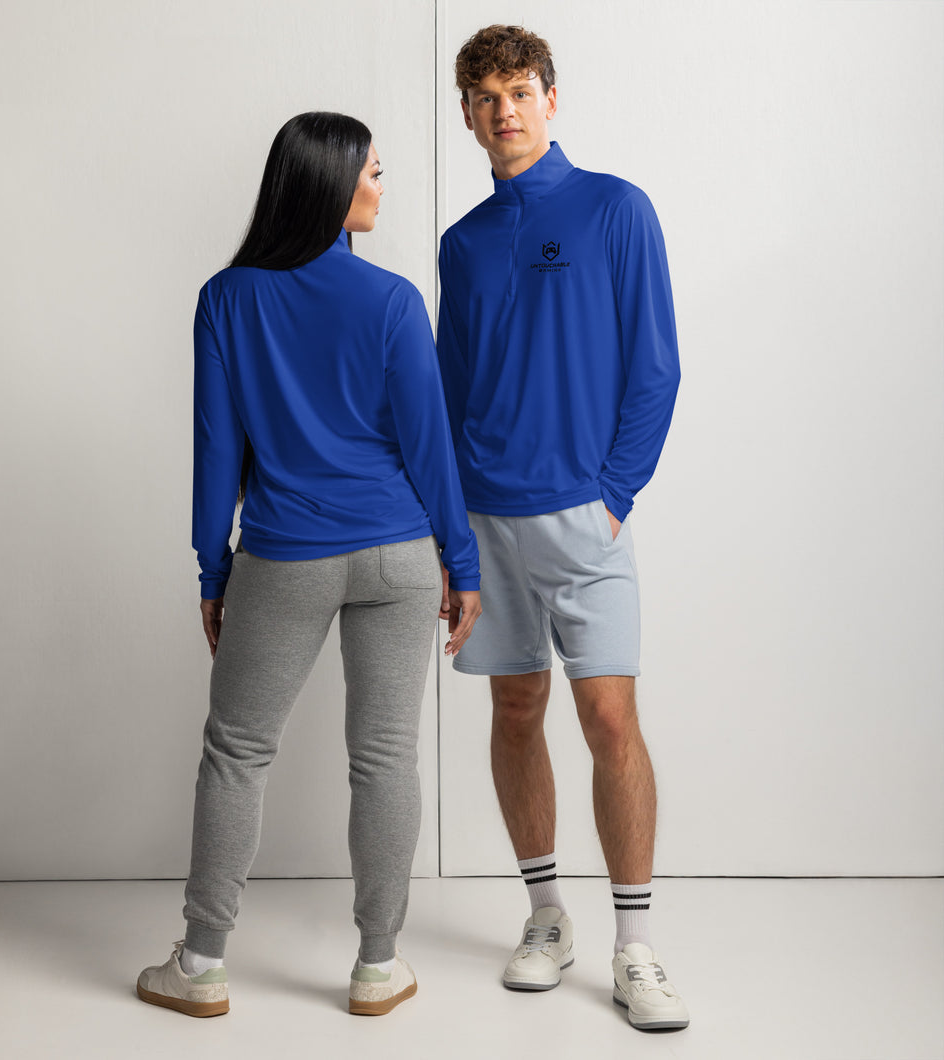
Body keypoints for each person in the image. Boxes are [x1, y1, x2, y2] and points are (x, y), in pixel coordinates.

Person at [137, 112, 481, 1019]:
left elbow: (218, 450)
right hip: (399, 555)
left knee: (237, 752)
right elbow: (430, 447)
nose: (381, 186)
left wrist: (212, 572)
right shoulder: (392, 301)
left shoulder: (227, 298)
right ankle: (378, 967)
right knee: (387, 756)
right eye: (372, 171)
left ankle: (201, 965)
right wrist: (462, 562)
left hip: (285, 556)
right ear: (328, 183)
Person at [436, 26, 688, 1031]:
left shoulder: (615, 209)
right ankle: (546, 917)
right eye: (485, 96)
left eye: (519, 90)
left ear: (551, 98)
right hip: (484, 519)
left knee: (610, 720)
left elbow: (656, 366)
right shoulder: (463, 242)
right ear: (467, 115)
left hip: (587, 517)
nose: (504, 109)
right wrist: (449, 527)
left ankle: (635, 946)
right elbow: (449, 389)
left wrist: (613, 493)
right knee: (514, 710)